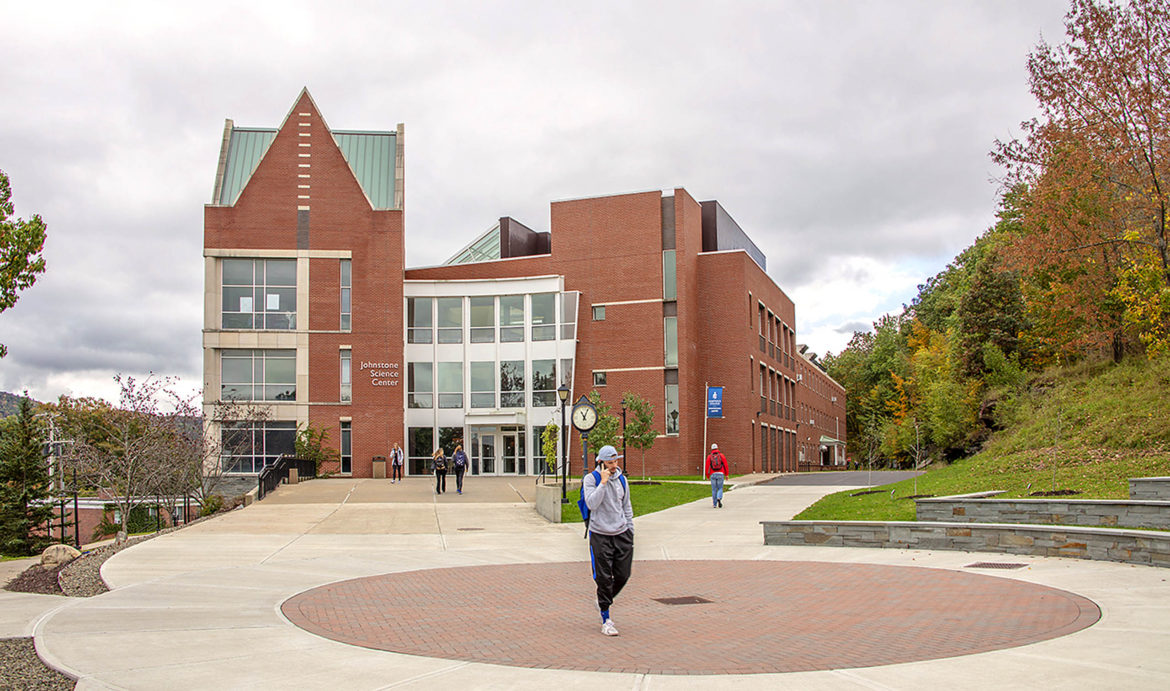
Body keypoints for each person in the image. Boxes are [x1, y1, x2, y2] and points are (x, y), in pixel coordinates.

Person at [582, 445, 634, 637]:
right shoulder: (591, 480)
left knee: (623, 574)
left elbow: (626, 506)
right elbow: (591, 504)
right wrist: (602, 483)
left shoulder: (622, 480)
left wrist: (630, 531)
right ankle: (606, 619)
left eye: (615, 461)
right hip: (600, 534)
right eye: (610, 462)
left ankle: (603, 600)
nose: (614, 465)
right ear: (601, 462)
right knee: (604, 578)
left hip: (621, 533)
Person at [706, 443, 728, 508]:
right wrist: (726, 474)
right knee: (720, 488)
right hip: (720, 474)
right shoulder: (721, 456)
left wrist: (707, 475)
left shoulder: (709, 457)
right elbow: (725, 465)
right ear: (717, 448)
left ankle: (714, 504)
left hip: (713, 474)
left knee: (714, 489)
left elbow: (707, 466)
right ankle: (719, 497)